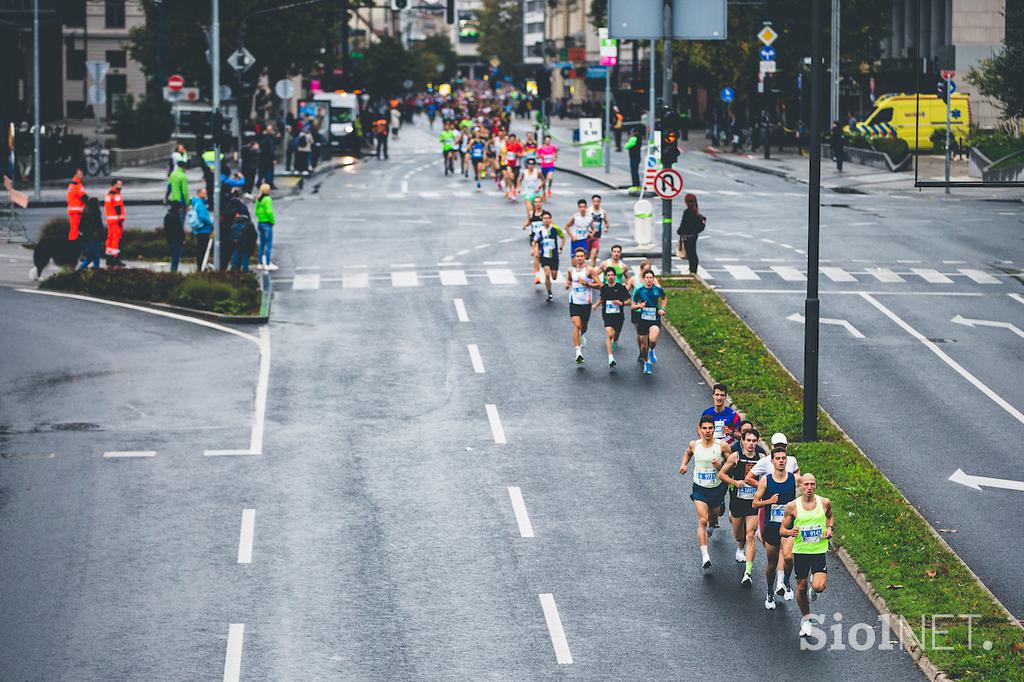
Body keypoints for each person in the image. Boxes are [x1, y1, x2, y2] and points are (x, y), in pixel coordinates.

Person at [781, 473, 834, 638]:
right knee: (801, 588)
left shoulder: (824, 502)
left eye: (812, 484)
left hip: (818, 551)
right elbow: (782, 530)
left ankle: (814, 588)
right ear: (800, 486)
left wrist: (830, 529)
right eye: (806, 485)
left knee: (819, 586)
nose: (809, 488)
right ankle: (806, 619)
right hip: (801, 552)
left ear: (815, 485)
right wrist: (790, 531)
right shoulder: (792, 506)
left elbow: (830, 517)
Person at [679, 415, 733, 570]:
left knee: (713, 519)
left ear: (714, 429)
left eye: (710, 428)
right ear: (700, 429)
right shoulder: (694, 445)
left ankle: (714, 521)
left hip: (716, 489)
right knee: (702, 520)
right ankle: (705, 556)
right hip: (700, 488)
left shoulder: (722, 446)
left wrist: (720, 465)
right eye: (705, 428)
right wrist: (684, 465)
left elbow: (731, 465)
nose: (708, 431)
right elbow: (688, 452)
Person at [718, 427, 765, 586]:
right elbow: (722, 474)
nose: (751, 444)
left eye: (754, 441)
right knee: (740, 535)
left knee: (750, 535)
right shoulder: (735, 456)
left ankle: (747, 573)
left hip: (753, 502)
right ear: (743, 441)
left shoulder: (762, 457)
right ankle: (739, 547)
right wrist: (735, 482)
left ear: (757, 441)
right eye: (748, 440)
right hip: (738, 501)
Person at [753, 446, 798, 609]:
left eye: (783, 458)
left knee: (788, 556)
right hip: (771, 527)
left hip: (788, 527)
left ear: (787, 460)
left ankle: (786, 582)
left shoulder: (793, 479)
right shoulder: (766, 480)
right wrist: (769, 501)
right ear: (772, 461)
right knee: (771, 563)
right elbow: (755, 502)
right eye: (778, 459)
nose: (781, 461)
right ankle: (770, 592)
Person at [565, 247, 599, 365]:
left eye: (581, 256)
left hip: (586, 303)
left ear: (585, 257)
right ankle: (578, 353)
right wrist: (567, 284)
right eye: (577, 256)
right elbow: (569, 280)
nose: (579, 258)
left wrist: (587, 283)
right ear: (575, 258)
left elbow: (599, 284)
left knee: (583, 327)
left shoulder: (589, 270)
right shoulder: (571, 270)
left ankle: (583, 334)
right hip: (574, 302)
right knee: (576, 324)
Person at [593, 266, 631, 368]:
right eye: (608, 275)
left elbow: (629, 301)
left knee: (616, 334)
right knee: (609, 334)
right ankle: (610, 358)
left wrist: (621, 303)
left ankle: (615, 340)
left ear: (615, 276)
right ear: (605, 277)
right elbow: (602, 299)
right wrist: (595, 305)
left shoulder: (621, 288)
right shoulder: (604, 288)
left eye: (612, 275)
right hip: (607, 315)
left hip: (619, 316)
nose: (610, 277)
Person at [631, 269, 666, 375]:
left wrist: (662, 309)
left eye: (651, 278)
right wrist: (639, 306)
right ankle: (646, 363)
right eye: (647, 278)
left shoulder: (658, 289)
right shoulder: (639, 291)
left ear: (653, 279)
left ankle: (652, 350)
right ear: (643, 279)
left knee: (653, 339)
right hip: (643, 320)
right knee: (643, 346)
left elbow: (664, 298)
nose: (649, 280)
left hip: (654, 319)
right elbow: (632, 306)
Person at [534, 210, 564, 303]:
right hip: (544, 256)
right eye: (544, 218)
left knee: (554, 277)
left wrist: (560, 248)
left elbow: (563, 237)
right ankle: (549, 293)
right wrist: (535, 250)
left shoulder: (555, 228)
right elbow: (535, 241)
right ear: (542, 220)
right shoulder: (539, 231)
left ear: (550, 219)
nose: (546, 220)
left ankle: (552, 278)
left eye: (548, 218)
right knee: (547, 275)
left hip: (554, 256)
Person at [676, 193, 706, 276]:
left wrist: (679, 232)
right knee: (693, 253)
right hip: (693, 236)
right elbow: (699, 225)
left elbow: (683, 224)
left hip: (687, 236)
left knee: (690, 254)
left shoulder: (687, 212)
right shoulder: (695, 212)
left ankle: (692, 271)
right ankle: (693, 270)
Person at [76, 197, 105, 271]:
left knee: (89, 256)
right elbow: (99, 226)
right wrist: (102, 236)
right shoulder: (96, 214)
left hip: (86, 238)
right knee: (96, 256)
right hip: (95, 238)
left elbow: (80, 226)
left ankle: (81, 269)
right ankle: (95, 270)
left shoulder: (85, 213)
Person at [523, 194, 546, 285]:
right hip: (534, 238)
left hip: (544, 238)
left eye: (539, 202)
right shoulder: (532, 213)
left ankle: (542, 266)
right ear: (533, 203)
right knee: (536, 255)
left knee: (541, 257)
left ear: (542, 203)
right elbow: (529, 221)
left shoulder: (545, 214)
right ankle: (537, 276)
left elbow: (551, 224)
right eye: (535, 202)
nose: (537, 204)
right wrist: (525, 225)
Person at [189, 187, 214, 269]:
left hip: (199, 230)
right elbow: (203, 217)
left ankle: (201, 265)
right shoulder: (200, 204)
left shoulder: (196, 203)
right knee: (202, 249)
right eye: (204, 193)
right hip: (203, 230)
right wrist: (211, 224)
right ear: (199, 193)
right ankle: (201, 266)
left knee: (200, 248)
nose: (205, 194)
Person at [103, 178, 126, 267]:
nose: (120, 186)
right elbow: (118, 208)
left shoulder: (108, 195)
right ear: (114, 185)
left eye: (121, 184)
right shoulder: (116, 195)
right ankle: (116, 258)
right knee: (116, 239)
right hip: (116, 221)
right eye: (119, 184)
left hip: (110, 220)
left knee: (110, 239)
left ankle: (109, 257)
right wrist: (120, 220)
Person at [254, 183, 276, 270]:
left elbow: (256, 211)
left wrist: (260, 218)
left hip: (260, 222)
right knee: (268, 244)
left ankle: (260, 263)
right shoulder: (268, 199)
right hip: (267, 223)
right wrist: (272, 221)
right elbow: (269, 211)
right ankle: (267, 263)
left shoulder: (258, 199)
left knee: (261, 244)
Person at [586, 195, 608, 266]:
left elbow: (606, 222)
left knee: (594, 256)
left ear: (600, 202)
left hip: (596, 236)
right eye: (594, 201)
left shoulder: (602, 212)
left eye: (598, 201)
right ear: (592, 202)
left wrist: (606, 227)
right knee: (587, 256)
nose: (596, 203)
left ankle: (591, 272)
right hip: (587, 236)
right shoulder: (588, 211)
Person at [163, 203, 185, 273]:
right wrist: (183, 239)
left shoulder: (167, 216)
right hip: (177, 241)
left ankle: (173, 272)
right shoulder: (176, 217)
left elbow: (166, 230)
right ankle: (173, 272)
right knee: (176, 258)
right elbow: (179, 230)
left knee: (174, 257)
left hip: (171, 240)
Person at [66, 168, 87, 241]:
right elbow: (84, 198)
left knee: (73, 230)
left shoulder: (72, 184)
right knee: (75, 231)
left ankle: (71, 245)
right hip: (77, 212)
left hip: (73, 211)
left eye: (82, 174)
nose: (81, 176)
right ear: (75, 174)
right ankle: (72, 246)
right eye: (80, 174)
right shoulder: (77, 185)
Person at [624, 127, 642, 191]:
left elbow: (626, 146)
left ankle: (636, 185)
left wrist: (629, 139)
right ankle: (637, 185)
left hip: (634, 156)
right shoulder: (639, 137)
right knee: (635, 171)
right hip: (637, 156)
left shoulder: (634, 138)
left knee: (634, 171)